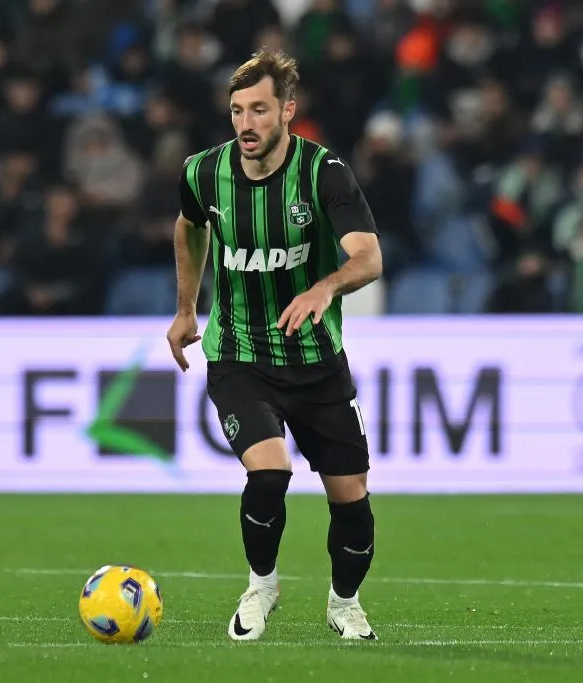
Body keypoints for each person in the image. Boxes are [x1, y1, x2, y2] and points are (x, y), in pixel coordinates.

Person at [166, 47, 383, 642]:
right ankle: (262, 585)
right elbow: (189, 225)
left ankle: (344, 604)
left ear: (287, 110)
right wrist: (186, 309)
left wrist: (325, 287)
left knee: (352, 499)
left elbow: (368, 258)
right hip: (239, 355)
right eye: (237, 110)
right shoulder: (203, 172)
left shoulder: (322, 172)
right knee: (268, 473)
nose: (246, 123)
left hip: (316, 360)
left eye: (259, 110)